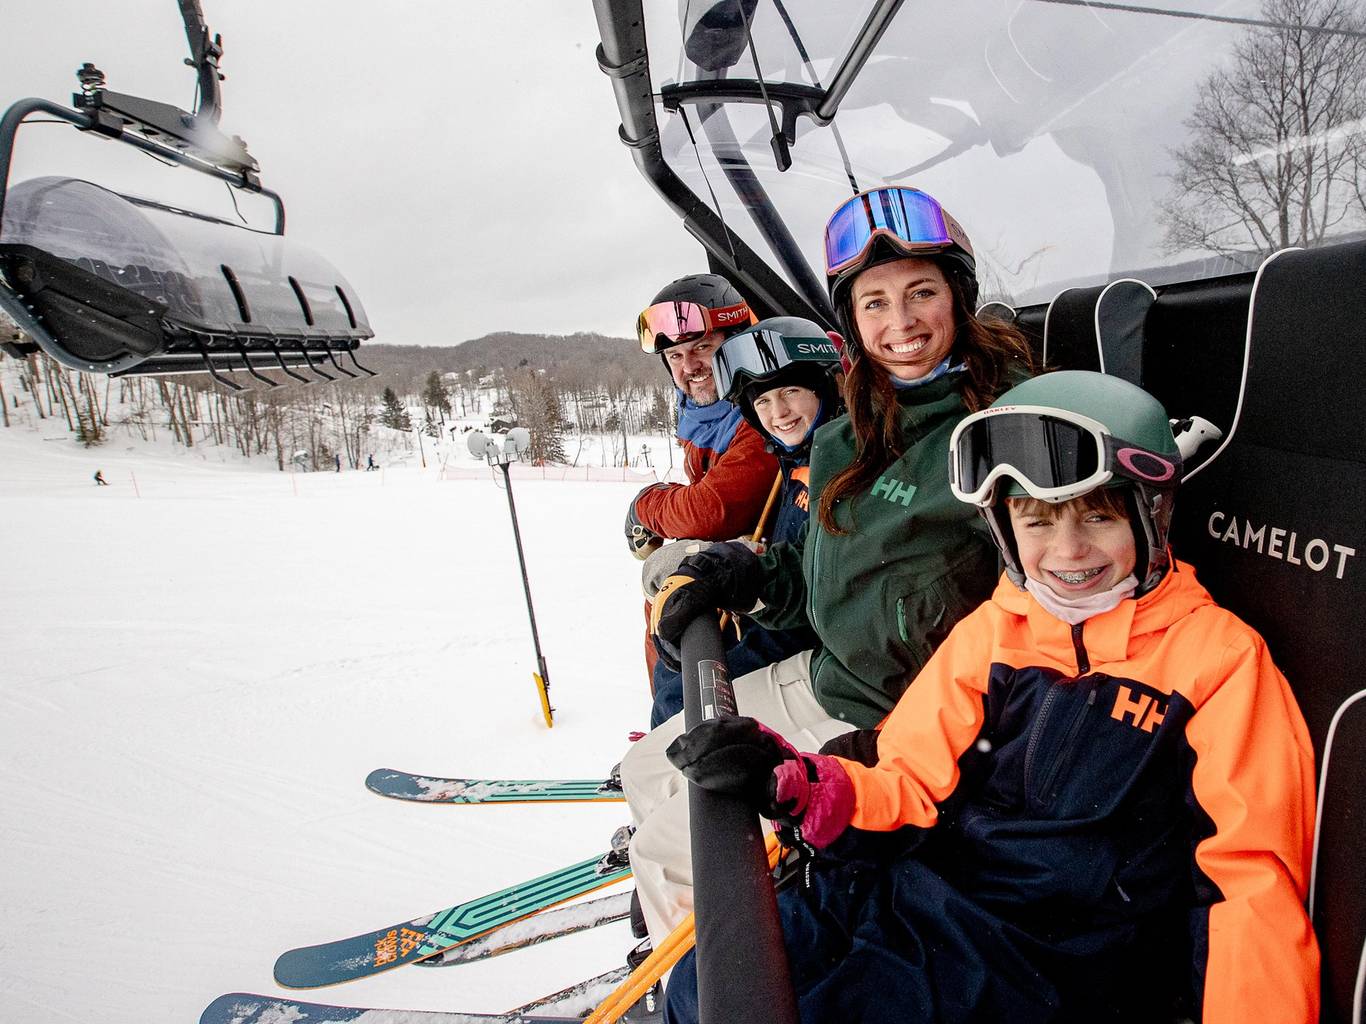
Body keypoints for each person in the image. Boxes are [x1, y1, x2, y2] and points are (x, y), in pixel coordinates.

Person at [664, 371, 1320, 1023]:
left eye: (1099, 515)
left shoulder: (1217, 662)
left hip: (1043, 956)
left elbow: (1250, 881)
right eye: (1035, 522)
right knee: (706, 985)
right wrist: (803, 786)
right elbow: (909, 775)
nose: (1068, 551)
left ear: (1153, 512)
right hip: (918, 893)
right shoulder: (999, 628)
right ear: (1004, 529)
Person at [622, 186, 1036, 948]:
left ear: (959, 297)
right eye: (874, 304)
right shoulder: (850, 429)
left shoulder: (1006, 425)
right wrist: (748, 580)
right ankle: (702, 938)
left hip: (893, 711)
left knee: (676, 845)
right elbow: (821, 576)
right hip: (829, 670)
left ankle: (711, 980)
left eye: (921, 293)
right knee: (648, 770)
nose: (900, 323)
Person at [641, 316, 841, 727]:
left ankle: (677, 769)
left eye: (790, 392)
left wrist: (742, 570)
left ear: (825, 387)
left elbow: (712, 509)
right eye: (763, 401)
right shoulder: (797, 454)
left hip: (811, 639)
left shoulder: (840, 461)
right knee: (675, 670)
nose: (778, 412)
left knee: (684, 696)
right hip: (781, 616)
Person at [625, 274, 782, 687]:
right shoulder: (706, 418)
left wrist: (646, 504)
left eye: (702, 348)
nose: (689, 367)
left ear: (737, 347)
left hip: (767, 595)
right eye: (675, 356)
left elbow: (711, 510)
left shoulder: (765, 412)